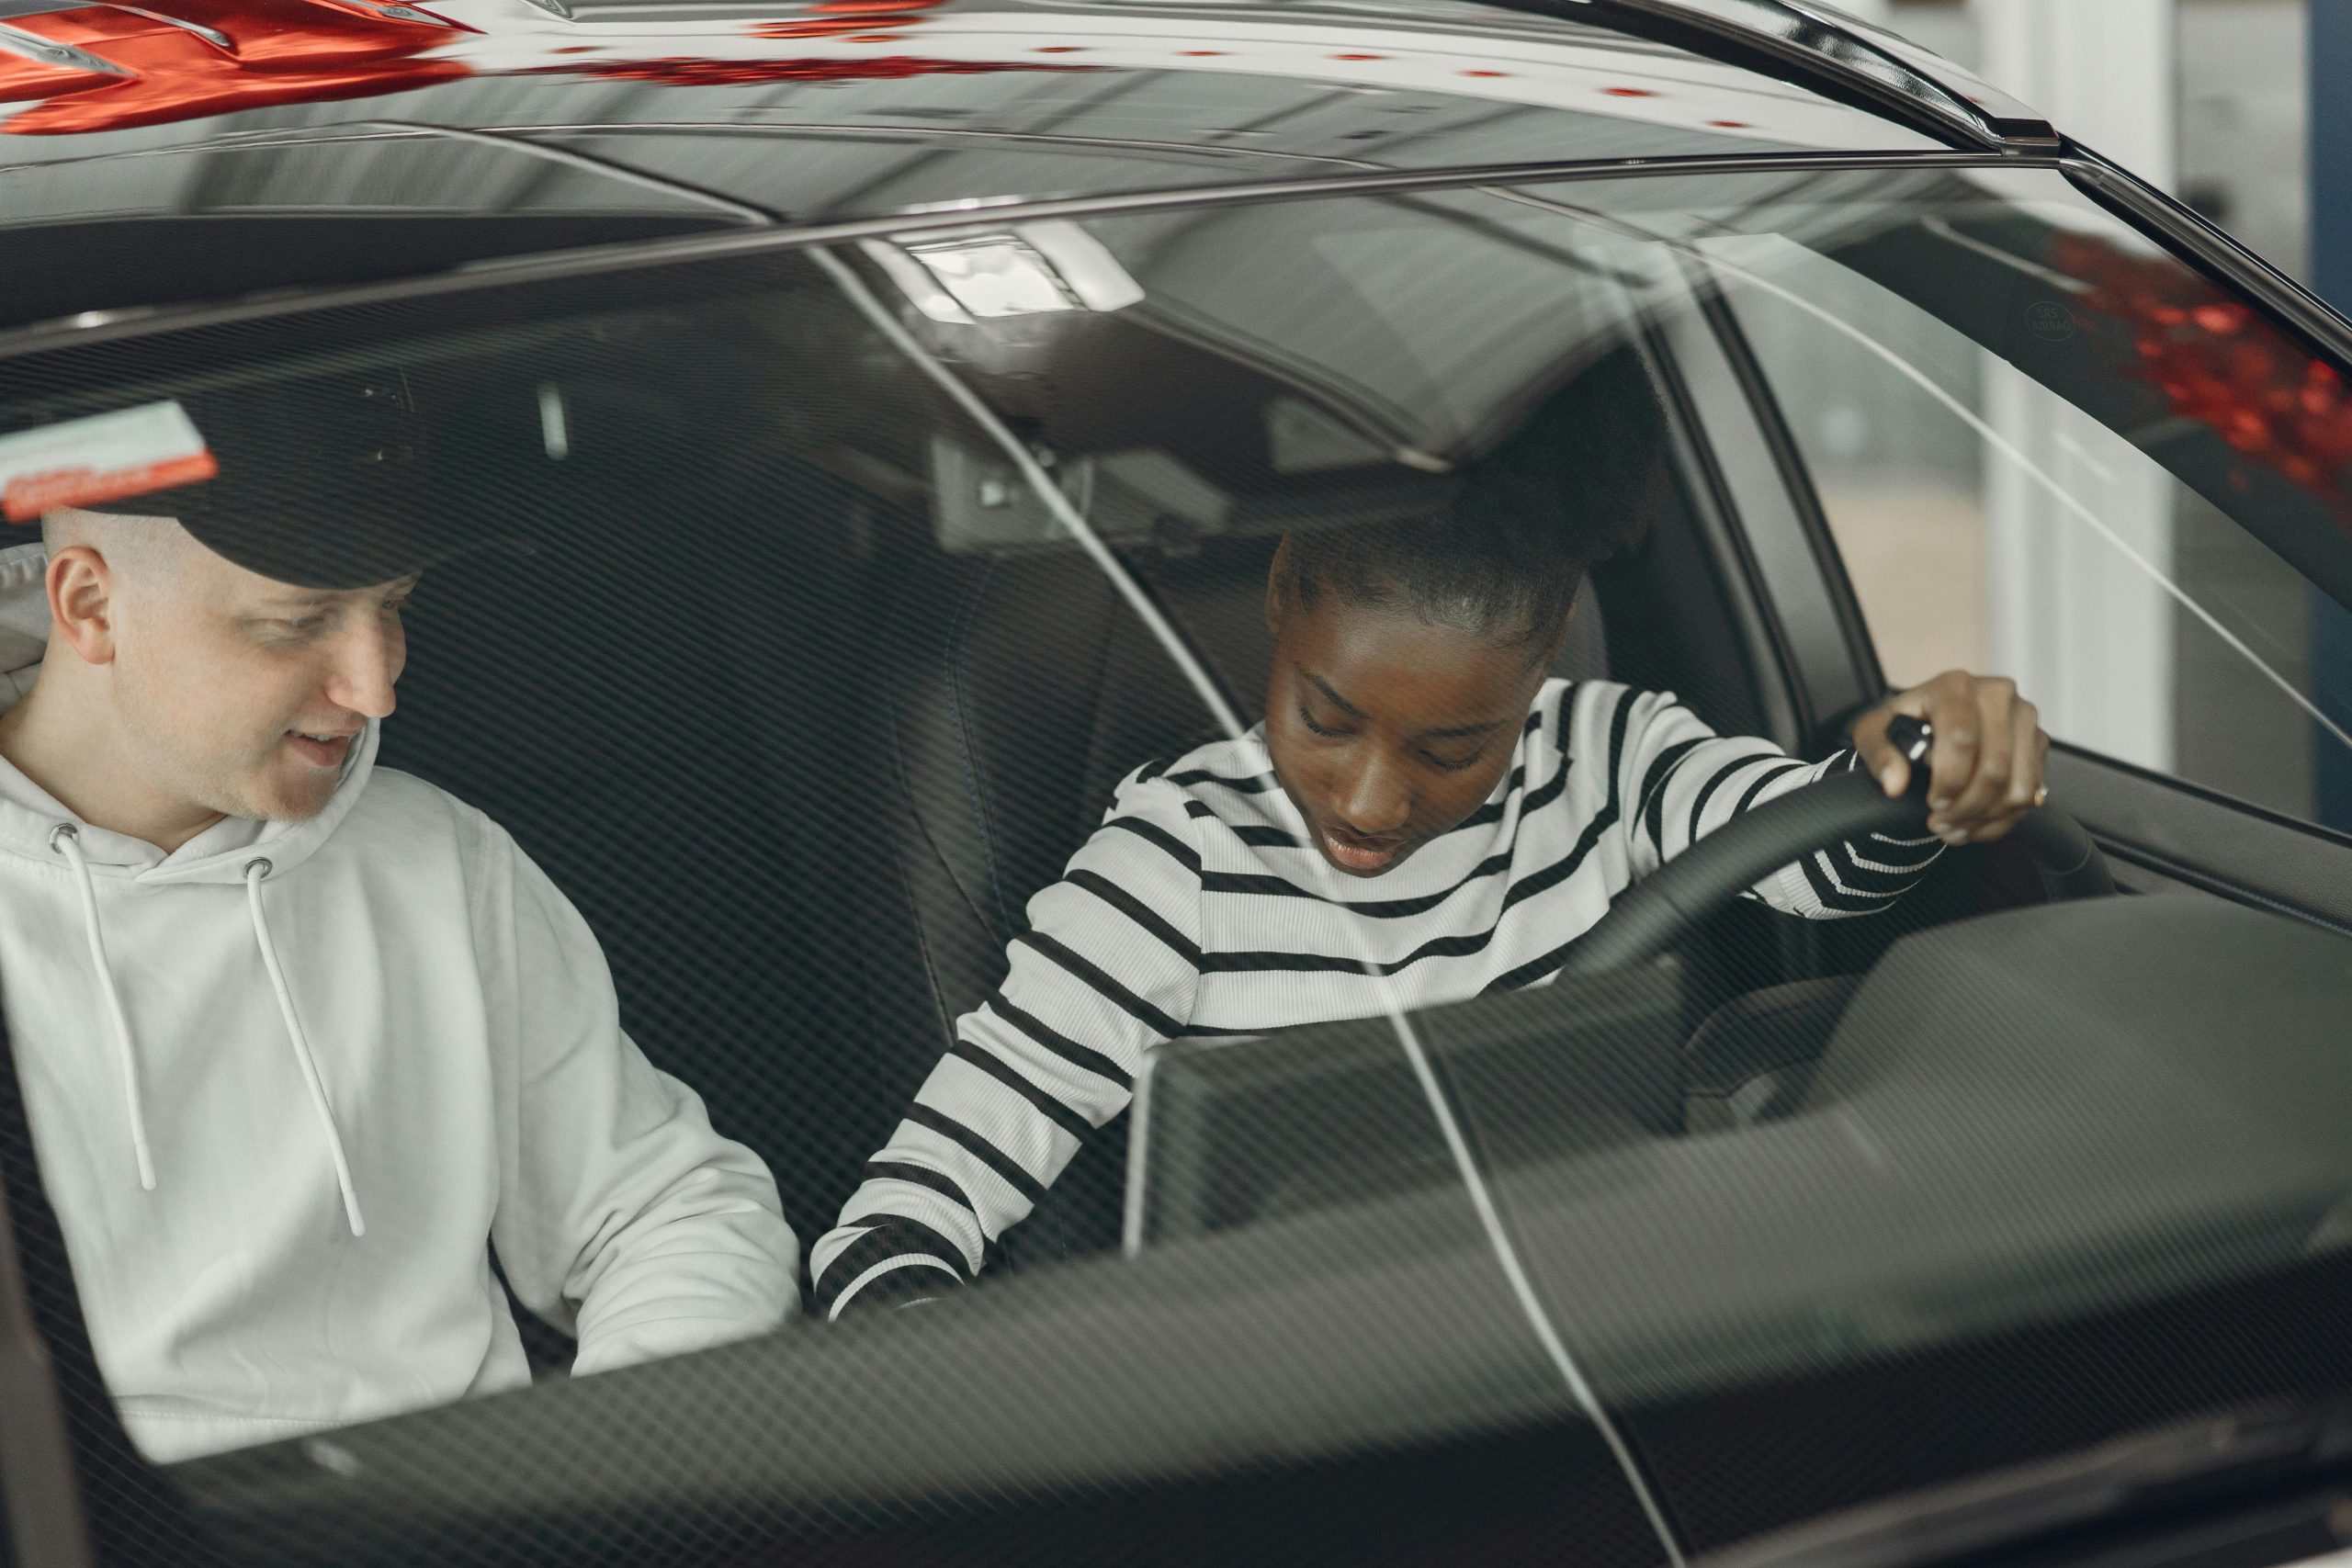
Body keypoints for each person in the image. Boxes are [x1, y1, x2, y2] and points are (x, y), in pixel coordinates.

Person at [809, 363, 2049, 1318]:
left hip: (1600, 1316)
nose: (1368, 798)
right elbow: (909, 1208)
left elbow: (1822, 860)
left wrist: (1926, 755)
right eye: (1326, 717)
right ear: (1284, 599)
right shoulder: (1172, 867)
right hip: (1311, 1401)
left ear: (1547, 657)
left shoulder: (1610, 754)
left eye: (1454, 749)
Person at [0, 377, 797, 1461]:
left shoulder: (438, 860)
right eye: (299, 622)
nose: (375, 688)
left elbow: (669, 1214)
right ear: (89, 605)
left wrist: (626, 1477)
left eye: (394, 606)